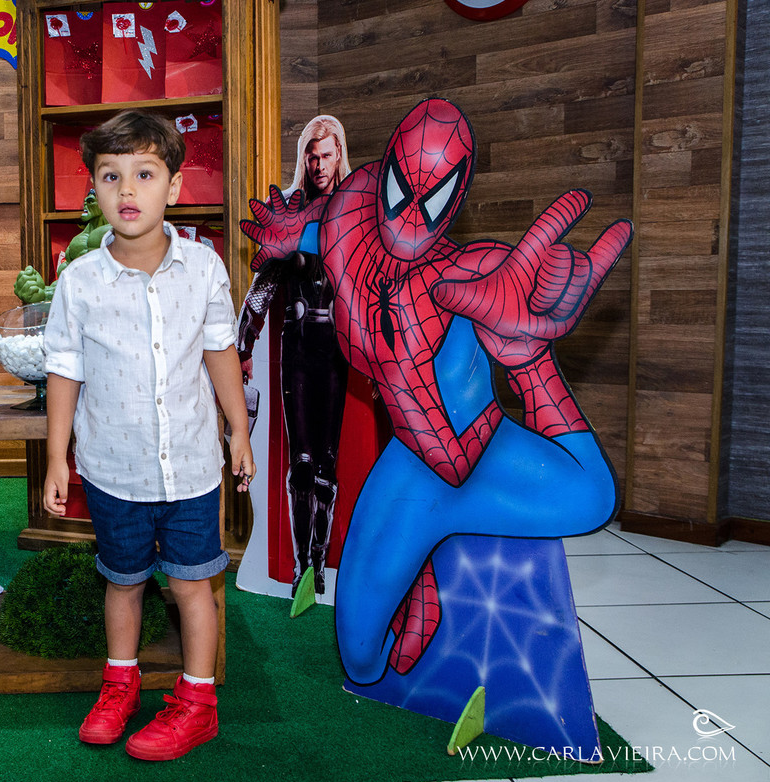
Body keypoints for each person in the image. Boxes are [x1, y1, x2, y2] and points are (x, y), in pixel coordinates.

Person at [241, 98, 630, 686]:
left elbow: (593, 491)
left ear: (457, 193)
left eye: (434, 197)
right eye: (404, 192)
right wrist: (284, 234)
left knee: (592, 495)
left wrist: (532, 360)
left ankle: (447, 539)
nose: (413, 216)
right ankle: (427, 558)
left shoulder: (477, 273)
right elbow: (316, 230)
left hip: (483, 452)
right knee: (363, 658)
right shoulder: (349, 230)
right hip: (416, 465)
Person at [42, 110, 255, 762]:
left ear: (175, 185)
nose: (127, 190)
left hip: (190, 467)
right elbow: (64, 369)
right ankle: (120, 686)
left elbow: (220, 352)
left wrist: (239, 432)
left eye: (144, 174)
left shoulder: (204, 268)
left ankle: (197, 704)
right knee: (124, 581)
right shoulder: (79, 281)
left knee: (192, 585)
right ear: (94, 189)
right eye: (111, 176)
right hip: (114, 468)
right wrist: (56, 457)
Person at [235, 115, 352, 596]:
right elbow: (263, 286)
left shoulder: (357, 211)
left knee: (326, 465)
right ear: (303, 157)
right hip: (298, 348)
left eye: (326, 155)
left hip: (339, 353)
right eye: (311, 154)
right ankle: (304, 565)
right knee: (301, 462)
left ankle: (319, 566)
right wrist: (243, 346)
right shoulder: (291, 211)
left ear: (339, 155)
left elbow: (377, 287)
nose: (318, 164)